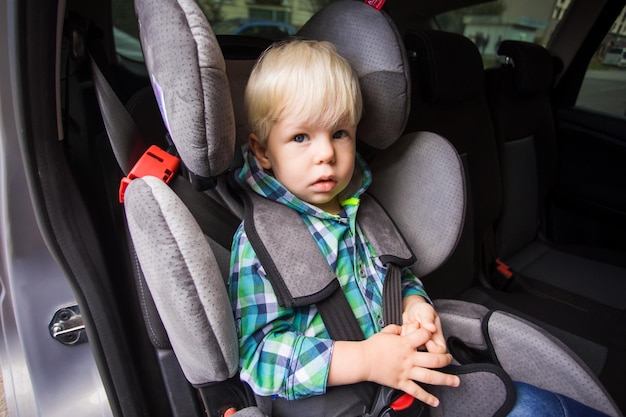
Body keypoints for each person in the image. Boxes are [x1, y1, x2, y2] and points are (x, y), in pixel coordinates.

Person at [229, 39, 610, 416]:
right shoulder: (261, 241)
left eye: (340, 133)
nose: (326, 153)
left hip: (408, 384)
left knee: (543, 406)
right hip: (347, 401)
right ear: (263, 151)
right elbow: (258, 356)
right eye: (301, 137)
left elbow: (398, 277)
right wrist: (364, 359)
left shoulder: (362, 208)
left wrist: (415, 305)